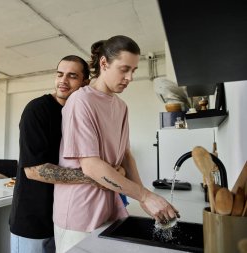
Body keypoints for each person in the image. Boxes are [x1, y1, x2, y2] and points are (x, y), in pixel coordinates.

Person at [53, 35, 180, 253]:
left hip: (110, 207)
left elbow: (125, 155)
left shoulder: (121, 106)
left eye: (133, 70)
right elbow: (91, 165)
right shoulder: (80, 101)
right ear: (104, 63)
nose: (130, 77)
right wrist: (144, 196)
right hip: (79, 213)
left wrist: (143, 196)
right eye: (124, 69)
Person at [9, 55, 95, 253]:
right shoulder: (37, 110)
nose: (63, 81)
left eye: (72, 76)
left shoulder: (78, 114)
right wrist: (94, 178)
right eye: (59, 74)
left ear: (85, 82)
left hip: (65, 219)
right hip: (33, 222)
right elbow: (34, 170)